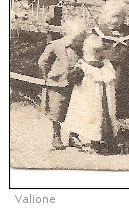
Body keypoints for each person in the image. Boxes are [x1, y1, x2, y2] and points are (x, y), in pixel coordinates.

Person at [37, 18, 89, 150]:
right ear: (69, 34)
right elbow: (43, 61)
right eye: (77, 37)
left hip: (75, 83)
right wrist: (48, 76)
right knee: (56, 110)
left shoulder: (81, 48)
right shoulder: (55, 45)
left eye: (81, 37)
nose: (79, 40)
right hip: (57, 83)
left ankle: (73, 136)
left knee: (75, 109)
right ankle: (56, 136)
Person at [62, 35, 118, 152]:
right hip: (101, 100)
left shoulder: (84, 67)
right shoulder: (106, 67)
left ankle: (92, 140)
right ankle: (94, 140)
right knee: (96, 117)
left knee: (86, 117)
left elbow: (71, 79)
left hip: (87, 100)